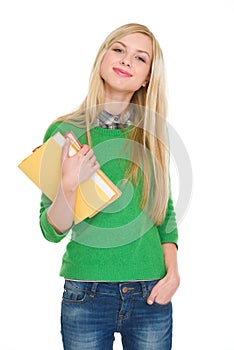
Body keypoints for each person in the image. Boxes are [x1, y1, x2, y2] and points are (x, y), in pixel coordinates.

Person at [39, 23, 180, 350]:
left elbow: (165, 213)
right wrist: (69, 185)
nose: (126, 60)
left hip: (151, 292)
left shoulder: (153, 137)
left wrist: (172, 273)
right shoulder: (63, 132)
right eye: (118, 49)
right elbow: (52, 229)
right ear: (102, 57)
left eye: (140, 57)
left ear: (147, 77)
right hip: (85, 293)